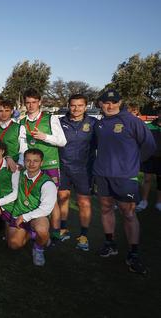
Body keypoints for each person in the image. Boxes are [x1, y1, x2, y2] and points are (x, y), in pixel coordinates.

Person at [93, 90, 156, 274]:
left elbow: (149, 146)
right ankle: (109, 243)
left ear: (120, 102)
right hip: (102, 174)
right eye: (106, 102)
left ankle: (133, 253)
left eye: (113, 102)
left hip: (125, 177)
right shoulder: (100, 124)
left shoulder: (132, 121)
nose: (110, 106)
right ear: (100, 104)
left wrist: (132, 163)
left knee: (128, 214)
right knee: (105, 209)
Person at [18, 88, 67, 241]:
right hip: (31, 166)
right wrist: (22, 163)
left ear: (40, 102)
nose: (31, 105)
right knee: (32, 196)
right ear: (24, 104)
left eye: (34, 102)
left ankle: (55, 232)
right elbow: (22, 146)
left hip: (49, 165)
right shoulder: (22, 122)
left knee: (53, 202)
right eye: (28, 103)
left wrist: (44, 136)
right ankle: (36, 228)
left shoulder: (50, 118)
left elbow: (62, 141)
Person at [0, 149, 57, 266]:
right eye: (28, 161)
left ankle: (38, 248)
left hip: (37, 216)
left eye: (35, 161)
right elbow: (15, 191)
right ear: (24, 161)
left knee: (41, 229)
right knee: (13, 245)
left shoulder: (47, 183)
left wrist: (25, 217)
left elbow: (46, 208)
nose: (31, 164)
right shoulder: (18, 174)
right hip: (19, 212)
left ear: (41, 163)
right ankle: (33, 234)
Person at [57, 94, 97, 250]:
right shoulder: (59, 123)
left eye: (80, 105)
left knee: (84, 203)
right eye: (73, 105)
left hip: (84, 170)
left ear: (86, 106)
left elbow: (100, 145)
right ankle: (63, 229)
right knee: (63, 199)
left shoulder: (93, 123)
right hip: (63, 167)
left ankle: (84, 235)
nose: (76, 108)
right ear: (68, 105)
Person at [0, 100, 25, 171]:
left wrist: (20, 164)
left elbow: (23, 149)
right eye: (1, 111)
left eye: (7, 110)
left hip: (13, 166)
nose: (4, 114)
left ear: (11, 112)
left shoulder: (19, 128)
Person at [138, 108, 161, 212]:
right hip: (150, 158)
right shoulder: (148, 126)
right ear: (158, 113)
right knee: (147, 179)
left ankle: (159, 202)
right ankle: (144, 201)